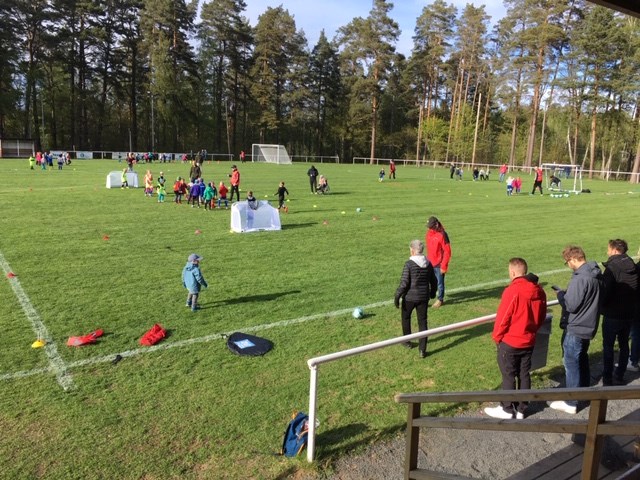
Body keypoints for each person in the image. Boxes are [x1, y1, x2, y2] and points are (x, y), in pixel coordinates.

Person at [484, 258, 547, 419]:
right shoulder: (539, 290)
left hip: (511, 341)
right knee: (524, 374)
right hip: (528, 340)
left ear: (512, 272)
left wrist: (497, 337)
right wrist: (532, 331)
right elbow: (541, 316)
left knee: (509, 375)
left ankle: (507, 408)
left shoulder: (513, 291)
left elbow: (503, 317)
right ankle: (521, 409)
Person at [550, 246, 603, 415]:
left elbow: (571, 305)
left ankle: (571, 401)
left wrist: (561, 295)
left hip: (577, 326)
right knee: (582, 359)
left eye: (567, 262)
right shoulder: (595, 274)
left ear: (573, 259)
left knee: (571, 363)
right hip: (589, 324)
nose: (568, 265)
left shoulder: (580, 278)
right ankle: (584, 393)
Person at [600, 239, 638, 385]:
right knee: (624, 345)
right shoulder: (632, 264)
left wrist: (602, 305)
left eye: (609, 249)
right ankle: (619, 375)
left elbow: (606, 292)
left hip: (613, 314)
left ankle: (607, 378)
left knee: (608, 347)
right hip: (629, 313)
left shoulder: (612, 268)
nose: (607, 252)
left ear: (615, 250)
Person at [394, 240, 437, 358]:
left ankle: (407, 341)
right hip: (423, 297)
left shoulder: (409, 264)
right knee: (422, 322)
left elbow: (404, 284)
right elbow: (434, 281)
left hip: (409, 298)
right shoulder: (428, 263)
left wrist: (397, 297)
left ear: (412, 250)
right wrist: (432, 293)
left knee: (406, 318)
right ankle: (422, 350)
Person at [425, 216, 451, 308]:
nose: (429, 228)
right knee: (428, 282)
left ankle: (440, 299)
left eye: (431, 226)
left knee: (440, 283)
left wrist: (443, 266)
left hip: (439, 264)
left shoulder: (443, 235)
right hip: (429, 263)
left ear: (436, 224)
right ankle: (427, 298)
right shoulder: (429, 233)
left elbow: (447, 251)